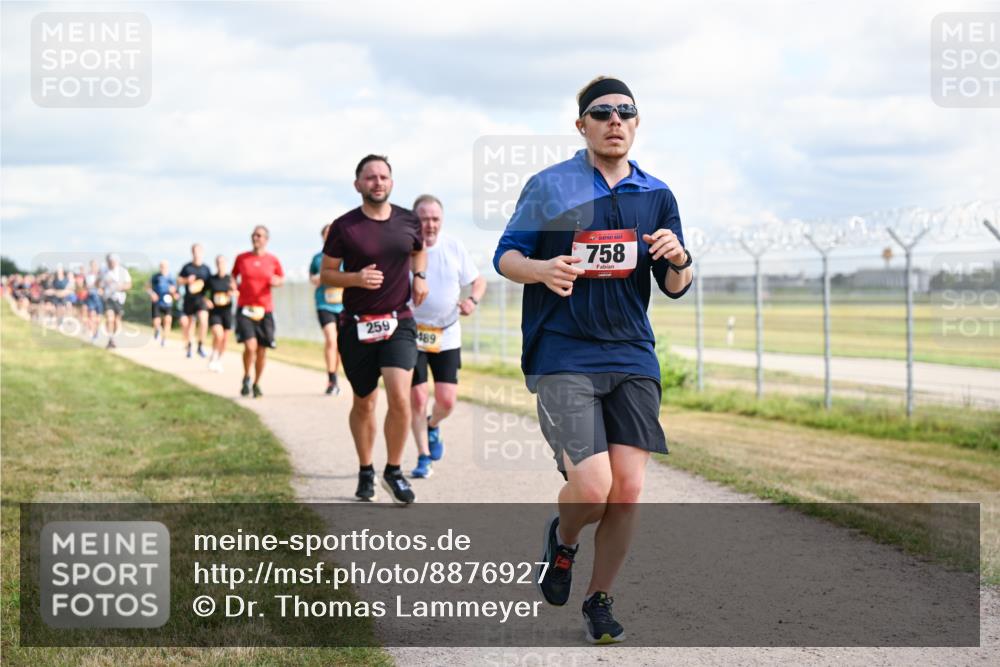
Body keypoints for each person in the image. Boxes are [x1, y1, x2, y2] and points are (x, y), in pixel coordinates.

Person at [493, 76, 693, 644]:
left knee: (626, 489)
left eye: (625, 111)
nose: (614, 121)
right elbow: (506, 255)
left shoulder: (657, 195)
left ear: (636, 123)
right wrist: (541, 269)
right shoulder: (551, 186)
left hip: (631, 354)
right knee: (592, 486)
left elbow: (674, 284)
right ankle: (563, 541)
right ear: (582, 125)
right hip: (563, 350)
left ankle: (598, 599)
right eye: (602, 113)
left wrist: (680, 259)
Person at [320, 154, 427, 505]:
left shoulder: (408, 220)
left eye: (383, 176)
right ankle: (366, 469)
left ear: (391, 182)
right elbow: (327, 274)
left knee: (400, 396)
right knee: (364, 402)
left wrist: (420, 276)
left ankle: (393, 471)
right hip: (357, 325)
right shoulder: (344, 226)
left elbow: (419, 250)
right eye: (370, 177)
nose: (377, 182)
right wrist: (356, 278)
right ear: (358, 185)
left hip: (399, 321)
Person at [407, 194, 487, 479]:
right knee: (417, 398)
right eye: (424, 219)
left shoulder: (453, 246)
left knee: (447, 400)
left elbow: (478, 281)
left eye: (435, 219)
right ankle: (423, 457)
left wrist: (472, 301)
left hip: (447, 334)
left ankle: (432, 425)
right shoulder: (405, 249)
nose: (430, 225)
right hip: (411, 334)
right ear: (414, 221)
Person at [232, 226, 284, 397]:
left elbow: (280, 278)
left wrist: (277, 282)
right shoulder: (241, 258)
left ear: (266, 239)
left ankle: (256, 383)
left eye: (259, 235)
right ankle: (246, 376)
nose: (256, 238)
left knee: (262, 350)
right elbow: (233, 276)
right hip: (245, 308)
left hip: (265, 310)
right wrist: (233, 286)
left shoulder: (273, 260)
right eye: (254, 235)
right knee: (250, 346)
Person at [310, 224, 343, 395]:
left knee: (341, 344)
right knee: (331, 340)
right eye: (326, 233)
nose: (329, 236)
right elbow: (312, 278)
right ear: (322, 237)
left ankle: (336, 375)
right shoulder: (317, 258)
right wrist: (320, 277)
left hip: (344, 306)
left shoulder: (347, 256)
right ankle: (332, 379)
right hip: (324, 304)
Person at [179, 244, 212, 359]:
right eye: (194, 251)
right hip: (189, 299)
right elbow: (179, 280)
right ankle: (189, 346)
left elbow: (211, 286)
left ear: (202, 252)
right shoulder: (187, 267)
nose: (196, 253)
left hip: (201, 299)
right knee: (189, 324)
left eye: (198, 251)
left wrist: (209, 299)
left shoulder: (206, 269)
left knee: (203, 321)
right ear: (192, 252)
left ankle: (200, 346)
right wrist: (186, 280)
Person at [206, 254, 236, 373]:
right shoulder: (211, 279)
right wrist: (207, 301)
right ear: (216, 264)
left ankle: (218, 360)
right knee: (218, 335)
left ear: (226, 264)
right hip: (215, 311)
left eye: (222, 262)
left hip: (227, 311)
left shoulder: (230, 279)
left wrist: (233, 292)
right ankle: (214, 354)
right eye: (218, 262)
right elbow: (202, 293)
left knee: (225, 339)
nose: (220, 265)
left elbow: (237, 292)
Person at [100, 253, 133, 349]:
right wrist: (100, 289)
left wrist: (121, 287)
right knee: (109, 318)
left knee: (116, 320)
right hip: (108, 298)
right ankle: (110, 339)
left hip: (119, 299)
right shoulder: (104, 271)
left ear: (117, 261)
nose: (111, 263)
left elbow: (129, 284)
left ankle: (114, 337)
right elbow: (100, 284)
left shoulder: (123, 271)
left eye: (113, 261)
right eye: (109, 261)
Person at [147, 260, 177, 347]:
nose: (163, 268)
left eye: (165, 266)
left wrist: (173, 292)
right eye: (161, 266)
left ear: (168, 267)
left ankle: (164, 340)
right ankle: (157, 329)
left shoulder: (171, 278)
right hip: (157, 301)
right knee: (156, 321)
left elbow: (175, 291)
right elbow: (147, 287)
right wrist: (152, 294)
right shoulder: (155, 277)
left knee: (168, 320)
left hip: (167, 302)